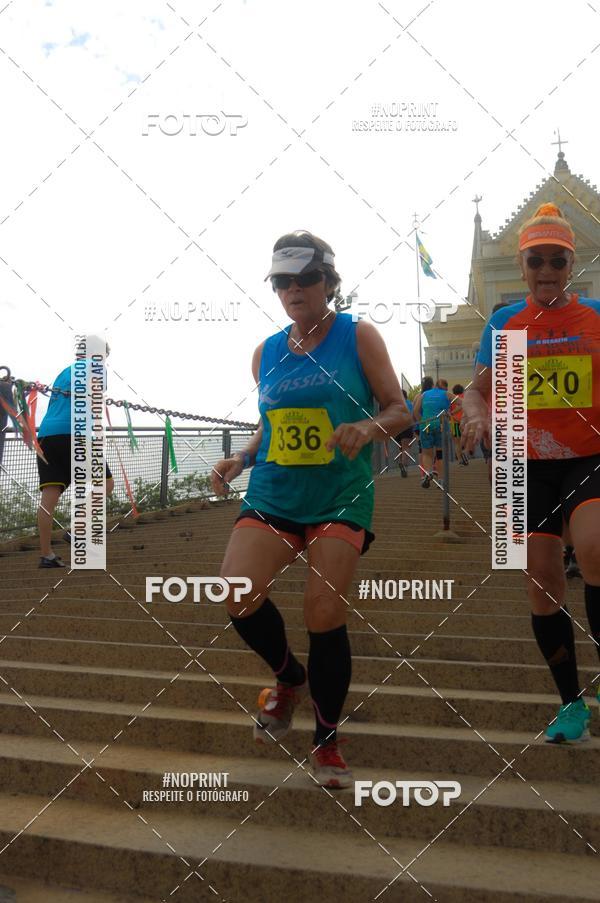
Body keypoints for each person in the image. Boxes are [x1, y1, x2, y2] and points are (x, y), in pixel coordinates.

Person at [211, 230, 411, 788]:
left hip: (339, 494)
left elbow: (400, 409)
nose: (294, 290)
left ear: (329, 281)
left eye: (306, 279)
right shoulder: (266, 352)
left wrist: (367, 426)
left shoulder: (358, 335)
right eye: (283, 281)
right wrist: (243, 456)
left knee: (323, 610)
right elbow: (270, 422)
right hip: (275, 490)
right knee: (235, 590)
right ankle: (288, 678)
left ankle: (326, 740)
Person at [462, 202, 600, 743]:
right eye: (536, 260)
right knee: (541, 584)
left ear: (573, 265)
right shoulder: (505, 323)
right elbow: (477, 388)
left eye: (557, 261)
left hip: (589, 455)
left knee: (593, 547)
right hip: (523, 462)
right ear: (521, 266)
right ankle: (572, 703)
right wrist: (476, 414)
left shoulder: (594, 317)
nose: (547, 271)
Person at [36, 339, 113, 568]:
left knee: (48, 498)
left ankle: (46, 555)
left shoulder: (63, 373)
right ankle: (76, 530)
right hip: (75, 434)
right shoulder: (97, 367)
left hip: (47, 435)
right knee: (106, 484)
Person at [413, 376, 453, 487]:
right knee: (439, 454)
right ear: (432, 385)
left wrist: (421, 423)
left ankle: (426, 473)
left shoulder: (420, 396)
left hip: (423, 425)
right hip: (438, 425)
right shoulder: (442, 395)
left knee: (424, 452)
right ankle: (440, 478)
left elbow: (414, 411)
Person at [394, 389, 417, 477]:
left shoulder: (396, 405)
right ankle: (404, 465)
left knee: (401, 449)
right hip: (407, 427)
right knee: (406, 448)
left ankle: (402, 466)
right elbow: (413, 416)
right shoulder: (409, 404)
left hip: (397, 429)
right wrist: (414, 429)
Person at [449, 383, 468, 465]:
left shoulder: (452, 399)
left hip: (455, 422)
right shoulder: (465, 397)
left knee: (456, 442)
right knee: (465, 439)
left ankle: (460, 459)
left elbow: (448, 410)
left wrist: (452, 413)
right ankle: (464, 452)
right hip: (465, 421)